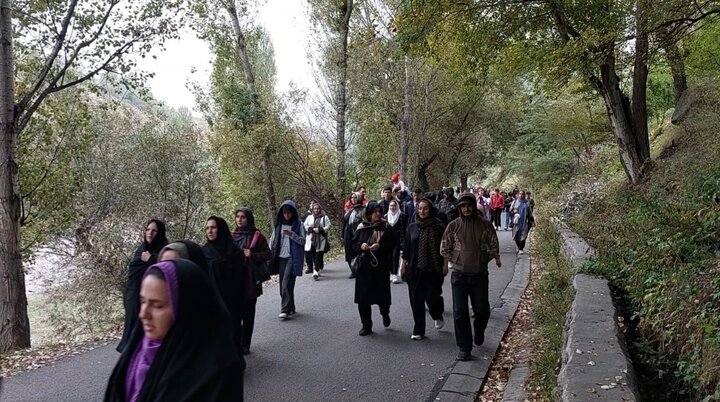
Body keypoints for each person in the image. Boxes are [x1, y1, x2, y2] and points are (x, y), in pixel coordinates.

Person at [105, 259, 245, 401]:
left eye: (157, 306)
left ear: (185, 309)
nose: (143, 314)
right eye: (142, 301)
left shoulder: (215, 373)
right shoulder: (137, 351)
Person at [440, 193, 501, 361]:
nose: (466, 209)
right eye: (463, 206)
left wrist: (484, 259)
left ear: (474, 207)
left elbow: (494, 245)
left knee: (482, 310)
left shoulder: (485, 225)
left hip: (479, 275)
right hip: (459, 275)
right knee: (460, 312)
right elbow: (444, 247)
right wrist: (456, 260)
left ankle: (479, 330)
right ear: (459, 208)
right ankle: (464, 347)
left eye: (469, 206)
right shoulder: (453, 226)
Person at [117, 219, 169, 353]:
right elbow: (133, 272)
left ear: (160, 233)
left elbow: (166, 271)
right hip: (133, 296)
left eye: (154, 230)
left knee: (144, 333)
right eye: (148, 229)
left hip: (151, 298)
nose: (150, 233)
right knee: (133, 331)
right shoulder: (141, 249)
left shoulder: (164, 251)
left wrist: (151, 260)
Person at [401, 198, 447, 340]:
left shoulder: (438, 226)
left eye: (425, 208)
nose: (422, 211)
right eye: (420, 208)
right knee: (416, 300)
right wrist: (403, 265)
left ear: (430, 209)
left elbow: (445, 247)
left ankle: (437, 314)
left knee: (432, 297)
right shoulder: (412, 227)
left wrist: (445, 264)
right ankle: (419, 330)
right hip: (414, 269)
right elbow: (407, 248)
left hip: (432, 268)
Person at [352, 201, 399, 336]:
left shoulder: (386, 227)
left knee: (382, 296)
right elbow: (353, 244)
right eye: (374, 212)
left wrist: (381, 246)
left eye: (379, 212)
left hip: (381, 268)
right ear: (369, 213)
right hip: (364, 268)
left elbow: (394, 244)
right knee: (363, 299)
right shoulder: (362, 227)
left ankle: (385, 313)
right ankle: (366, 325)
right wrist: (361, 246)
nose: (377, 214)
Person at [203, 216, 246, 353]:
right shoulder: (203, 252)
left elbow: (240, 278)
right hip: (213, 300)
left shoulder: (235, 252)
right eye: (207, 228)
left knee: (233, 331)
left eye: (213, 227)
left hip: (232, 300)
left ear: (221, 229)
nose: (210, 231)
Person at [232, 207, 272, 355]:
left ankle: (245, 344)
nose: (239, 220)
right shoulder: (232, 236)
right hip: (234, 280)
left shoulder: (257, 237)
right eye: (237, 217)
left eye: (243, 217)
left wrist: (253, 255)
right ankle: (236, 341)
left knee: (248, 313)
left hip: (250, 281)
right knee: (235, 313)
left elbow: (268, 254)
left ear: (248, 219)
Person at [270, 200, 305, 319]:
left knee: (285, 283)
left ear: (293, 213)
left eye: (289, 213)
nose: (287, 215)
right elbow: (273, 241)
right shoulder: (279, 225)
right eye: (285, 213)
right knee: (284, 285)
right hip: (281, 258)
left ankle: (284, 309)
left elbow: (303, 241)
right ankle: (291, 307)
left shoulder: (298, 224)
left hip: (292, 258)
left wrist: (291, 234)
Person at [304, 202, 331, 280]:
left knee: (318, 254)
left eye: (318, 208)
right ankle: (318, 268)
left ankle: (315, 271)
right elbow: (305, 225)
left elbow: (328, 226)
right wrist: (312, 229)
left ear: (320, 209)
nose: (316, 210)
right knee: (313, 254)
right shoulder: (309, 217)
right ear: (313, 209)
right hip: (311, 238)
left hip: (321, 239)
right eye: (315, 208)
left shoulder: (324, 217)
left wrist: (320, 229)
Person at [343, 192, 366, 278]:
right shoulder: (350, 210)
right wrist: (343, 235)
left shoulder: (363, 210)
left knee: (359, 251)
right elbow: (345, 223)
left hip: (358, 233)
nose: (353, 199)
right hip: (348, 234)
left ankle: (360, 269)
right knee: (349, 252)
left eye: (355, 197)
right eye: (352, 198)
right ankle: (353, 270)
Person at [385, 199, 405, 284]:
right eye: (391, 206)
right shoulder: (386, 216)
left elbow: (403, 229)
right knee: (388, 257)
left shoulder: (401, 215)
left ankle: (395, 274)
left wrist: (403, 241)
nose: (392, 207)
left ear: (397, 206)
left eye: (394, 205)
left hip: (397, 240)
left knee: (395, 256)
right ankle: (390, 274)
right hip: (388, 241)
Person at [512, 190, 534, 254]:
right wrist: (514, 212)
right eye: (520, 194)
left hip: (525, 221)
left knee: (523, 235)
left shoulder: (527, 202)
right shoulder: (515, 202)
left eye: (522, 194)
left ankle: (521, 248)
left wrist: (532, 220)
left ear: (524, 195)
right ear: (518, 195)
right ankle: (518, 246)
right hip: (516, 221)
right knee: (516, 234)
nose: (521, 195)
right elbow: (511, 209)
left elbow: (530, 212)